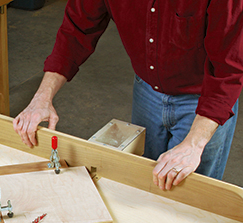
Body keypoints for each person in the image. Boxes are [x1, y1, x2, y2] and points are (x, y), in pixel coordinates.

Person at [13, 0, 243, 190]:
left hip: (204, 100)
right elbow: (76, 29)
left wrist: (194, 144)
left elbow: (228, 69)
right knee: (144, 184)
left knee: (191, 196)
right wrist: (41, 97)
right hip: (147, 90)